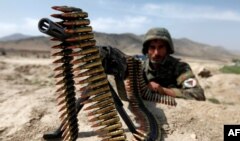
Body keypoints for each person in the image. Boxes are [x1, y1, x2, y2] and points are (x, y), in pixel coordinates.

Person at [43, 27, 205, 140]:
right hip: (142, 99)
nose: (156, 52)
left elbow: (198, 95)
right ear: (146, 49)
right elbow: (127, 64)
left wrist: (162, 89)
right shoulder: (139, 63)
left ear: (168, 48)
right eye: (152, 47)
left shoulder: (180, 67)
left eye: (161, 47)